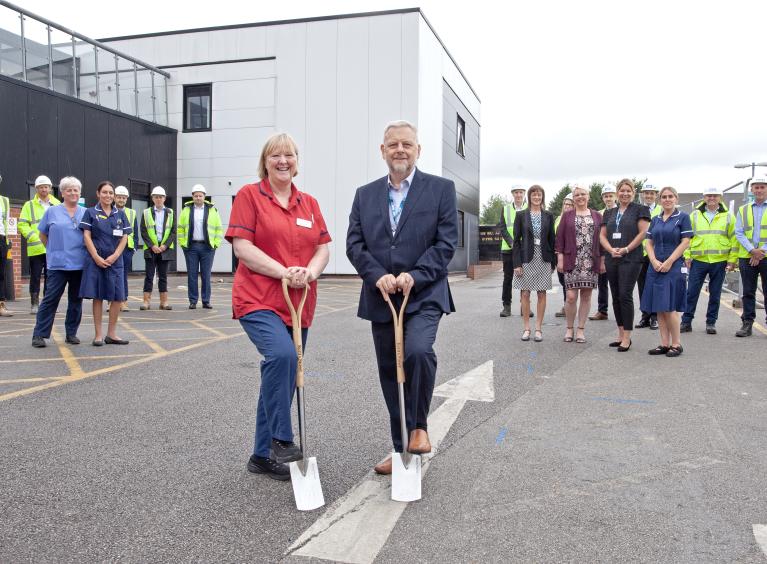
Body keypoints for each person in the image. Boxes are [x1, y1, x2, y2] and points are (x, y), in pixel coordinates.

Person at [346, 120, 457, 476]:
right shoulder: (365, 195)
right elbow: (355, 243)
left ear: (418, 150)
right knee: (389, 371)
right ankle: (399, 448)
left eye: (407, 144)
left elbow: (445, 243)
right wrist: (378, 275)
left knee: (417, 352)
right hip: (382, 297)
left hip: (423, 293)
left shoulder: (441, 189)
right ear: (382, 150)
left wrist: (415, 274)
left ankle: (419, 427)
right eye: (393, 144)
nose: (400, 150)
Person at [227, 132, 330, 481]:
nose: (283, 161)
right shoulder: (249, 196)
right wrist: (284, 272)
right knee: (283, 357)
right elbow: (242, 247)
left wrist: (310, 272)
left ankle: (261, 455)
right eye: (275, 156)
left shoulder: (309, 204)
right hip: (258, 297)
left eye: (289, 155)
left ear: (297, 161)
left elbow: (322, 248)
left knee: (282, 375)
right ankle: (282, 441)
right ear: (265, 162)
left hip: (298, 302)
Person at [31, 177, 87, 348]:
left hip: (79, 264)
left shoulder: (85, 213)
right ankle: (39, 334)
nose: (73, 192)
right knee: (50, 299)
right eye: (69, 190)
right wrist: (53, 250)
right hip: (57, 264)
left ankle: (71, 333)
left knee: (76, 301)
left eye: (76, 189)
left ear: (79, 193)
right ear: (62, 193)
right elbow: (43, 235)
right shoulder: (52, 212)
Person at [599, 178, 651, 351]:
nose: (625, 193)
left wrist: (627, 249)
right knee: (615, 296)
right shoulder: (609, 212)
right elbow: (602, 235)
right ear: (617, 192)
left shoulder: (640, 210)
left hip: (631, 258)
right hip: (612, 257)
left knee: (625, 295)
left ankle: (627, 337)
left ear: (633, 193)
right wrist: (610, 249)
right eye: (622, 190)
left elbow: (643, 232)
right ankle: (620, 334)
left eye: (628, 191)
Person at [642, 187, 692, 357]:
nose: (667, 199)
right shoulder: (655, 219)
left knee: (670, 307)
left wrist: (669, 261)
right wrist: (654, 260)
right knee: (659, 307)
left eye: (670, 196)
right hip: (655, 267)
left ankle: (676, 344)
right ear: (660, 199)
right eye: (664, 197)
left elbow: (685, 242)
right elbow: (648, 242)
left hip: (673, 266)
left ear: (676, 198)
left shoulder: (683, 217)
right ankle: (664, 343)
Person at [79, 181, 131, 346]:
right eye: (105, 192)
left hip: (115, 261)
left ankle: (112, 334)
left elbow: (125, 236)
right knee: (98, 296)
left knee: (117, 297)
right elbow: (86, 236)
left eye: (111, 193)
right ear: (98, 194)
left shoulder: (120, 214)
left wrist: (116, 255)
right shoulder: (90, 212)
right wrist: (95, 256)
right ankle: (98, 335)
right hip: (96, 260)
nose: (108, 195)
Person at [680, 186, 737, 335]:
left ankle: (711, 323)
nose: (712, 198)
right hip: (698, 260)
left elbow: (734, 238)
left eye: (715, 196)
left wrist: (732, 259)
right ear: (704, 198)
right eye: (709, 196)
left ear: (720, 197)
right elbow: (687, 238)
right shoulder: (695, 215)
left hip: (720, 260)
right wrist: (687, 255)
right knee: (691, 292)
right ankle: (686, 321)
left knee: (715, 293)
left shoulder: (729, 216)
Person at [556, 185, 604, 343]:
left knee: (586, 295)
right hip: (572, 260)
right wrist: (560, 258)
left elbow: (602, 240)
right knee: (570, 296)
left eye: (583, 194)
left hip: (591, 261)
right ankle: (569, 328)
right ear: (573, 198)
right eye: (577, 195)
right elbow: (560, 238)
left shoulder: (597, 216)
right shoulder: (567, 215)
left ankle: (581, 329)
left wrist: (602, 260)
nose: (580, 197)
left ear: (588, 197)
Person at [512, 185, 555, 342]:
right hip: (526, 258)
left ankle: (538, 328)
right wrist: (517, 263)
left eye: (539, 195)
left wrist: (553, 262)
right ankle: (526, 328)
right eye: (534, 195)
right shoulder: (521, 215)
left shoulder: (549, 215)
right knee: (525, 292)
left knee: (542, 293)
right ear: (529, 197)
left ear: (542, 197)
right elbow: (516, 241)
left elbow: (552, 240)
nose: (537, 197)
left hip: (543, 258)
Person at [19, 175, 61, 314]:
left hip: (52, 247)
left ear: (50, 188)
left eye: (46, 187)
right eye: (41, 187)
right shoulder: (29, 205)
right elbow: (22, 224)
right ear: (36, 188)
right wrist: (32, 236)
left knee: (51, 276)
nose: (44, 189)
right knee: (35, 277)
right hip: (36, 247)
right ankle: (34, 303)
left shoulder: (57, 204)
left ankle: (47, 303)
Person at [177, 184, 223, 309]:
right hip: (191, 247)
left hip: (207, 247)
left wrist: (216, 244)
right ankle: (193, 301)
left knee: (206, 275)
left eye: (200, 195)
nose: (198, 198)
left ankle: (206, 300)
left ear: (204, 196)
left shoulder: (212, 210)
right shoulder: (186, 210)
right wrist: (183, 244)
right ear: (192, 197)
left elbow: (219, 228)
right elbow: (180, 228)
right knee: (192, 275)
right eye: (196, 195)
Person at [733, 177, 767, 338]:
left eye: (762, 187)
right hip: (747, 256)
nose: (759, 190)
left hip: (765, 256)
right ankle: (747, 323)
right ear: (752, 190)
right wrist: (753, 251)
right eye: (756, 187)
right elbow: (739, 232)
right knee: (748, 292)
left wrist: (761, 252)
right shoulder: (743, 209)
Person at [140, 186, 176, 310]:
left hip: (165, 249)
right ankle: (146, 302)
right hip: (151, 249)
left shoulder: (171, 213)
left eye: (161, 197)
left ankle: (163, 302)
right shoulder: (146, 213)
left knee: (163, 276)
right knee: (149, 276)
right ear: (153, 198)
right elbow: (143, 231)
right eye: (156, 197)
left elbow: (173, 232)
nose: (158, 199)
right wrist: (152, 245)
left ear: (164, 198)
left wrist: (164, 246)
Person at [636, 184, 663, 330]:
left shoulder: (661, 210)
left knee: (655, 285)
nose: (648, 196)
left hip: (656, 253)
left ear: (656, 195)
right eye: (646, 193)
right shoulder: (638, 210)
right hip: (641, 253)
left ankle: (655, 317)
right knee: (642, 286)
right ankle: (644, 316)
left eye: (651, 193)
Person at [498, 185, 527, 317]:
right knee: (507, 278)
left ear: (524, 194)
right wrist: (512, 243)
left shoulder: (529, 208)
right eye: (516, 192)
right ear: (513, 194)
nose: (518, 195)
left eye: (521, 192)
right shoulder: (506, 209)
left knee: (525, 279)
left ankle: (525, 306)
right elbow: (503, 228)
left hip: (525, 249)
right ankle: (506, 306)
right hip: (508, 249)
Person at [589, 183, 616, 321]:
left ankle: (620, 312)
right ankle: (602, 310)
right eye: (606, 196)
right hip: (603, 254)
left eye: (610, 195)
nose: (608, 198)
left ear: (615, 196)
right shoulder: (599, 214)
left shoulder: (621, 212)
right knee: (602, 284)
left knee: (618, 284)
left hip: (618, 253)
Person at [114, 185, 138, 312]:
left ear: (127, 199)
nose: (121, 199)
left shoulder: (131, 212)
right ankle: (111, 302)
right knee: (111, 275)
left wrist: (133, 248)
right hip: (112, 249)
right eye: (119, 197)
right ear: (114, 197)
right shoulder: (108, 210)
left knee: (123, 276)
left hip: (127, 249)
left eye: (123, 197)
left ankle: (123, 301)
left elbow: (136, 232)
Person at [554, 193, 575, 318]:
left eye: (570, 204)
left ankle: (568, 306)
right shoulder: (558, 218)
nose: (567, 206)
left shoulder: (574, 217)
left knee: (569, 283)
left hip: (570, 255)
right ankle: (566, 304)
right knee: (563, 281)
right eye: (565, 204)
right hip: (558, 254)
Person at [0, 180, 12, 317]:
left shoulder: (4, 200)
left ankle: (1, 304)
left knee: (1, 274)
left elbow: (6, 220)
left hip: (1, 238)